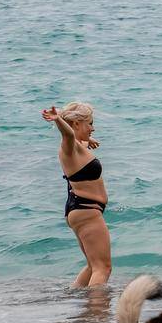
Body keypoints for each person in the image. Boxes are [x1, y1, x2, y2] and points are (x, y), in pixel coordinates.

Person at [41, 101, 111, 287]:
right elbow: (68, 134)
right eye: (90, 123)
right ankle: (96, 313)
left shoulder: (77, 147)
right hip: (86, 211)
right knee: (102, 268)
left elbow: (78, 140)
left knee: (92, 266)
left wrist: (88, 141)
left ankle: (75, 300)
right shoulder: (68, 145)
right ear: (77, 124)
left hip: (81, 210)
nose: (93, 128)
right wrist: (58, 120)